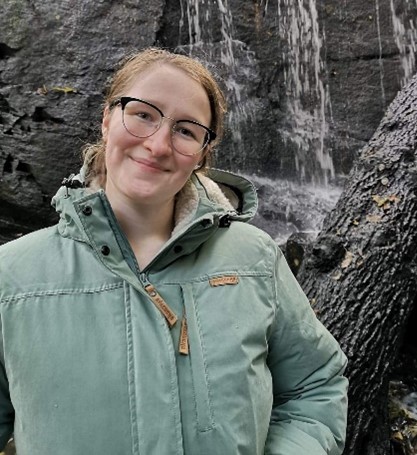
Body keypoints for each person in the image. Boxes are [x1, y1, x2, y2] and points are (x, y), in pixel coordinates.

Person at [0, 47, 348, 455]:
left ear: (202, 153)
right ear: (107, 119)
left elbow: (316, 386)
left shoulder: (255, 258)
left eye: (186, 130)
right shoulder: (12, 274)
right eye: (143, 114)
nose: (159, 145)